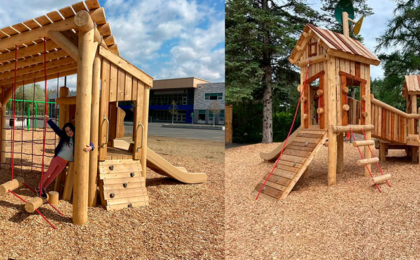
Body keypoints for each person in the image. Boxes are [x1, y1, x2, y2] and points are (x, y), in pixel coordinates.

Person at [36, 115, 94, 198]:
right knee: (48, 173)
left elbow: (90, 142)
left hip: (64, 162)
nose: (69, 132)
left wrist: (91, 147)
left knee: (53, 176)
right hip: (57, 159)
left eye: (70, 130)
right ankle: (39, 188)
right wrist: (48, 120)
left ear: (73, 130)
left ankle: (44, 187)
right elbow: (56, 129)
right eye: (67, 131)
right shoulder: (64, 137)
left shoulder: (78, 138)